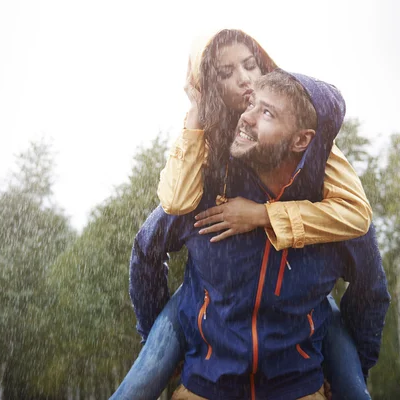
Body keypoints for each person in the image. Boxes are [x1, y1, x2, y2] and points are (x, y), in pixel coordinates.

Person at [110, 29, 377, 400]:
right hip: (207, 322)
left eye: (251, 65)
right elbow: (171, 208)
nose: (245, 80)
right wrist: (196, 116)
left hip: (299, 331)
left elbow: (356, 219)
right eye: (225, 73)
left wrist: (262, 215)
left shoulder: (310, 149)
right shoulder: (206, 152)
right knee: (148, 365)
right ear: (209, 87)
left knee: (341, 356)